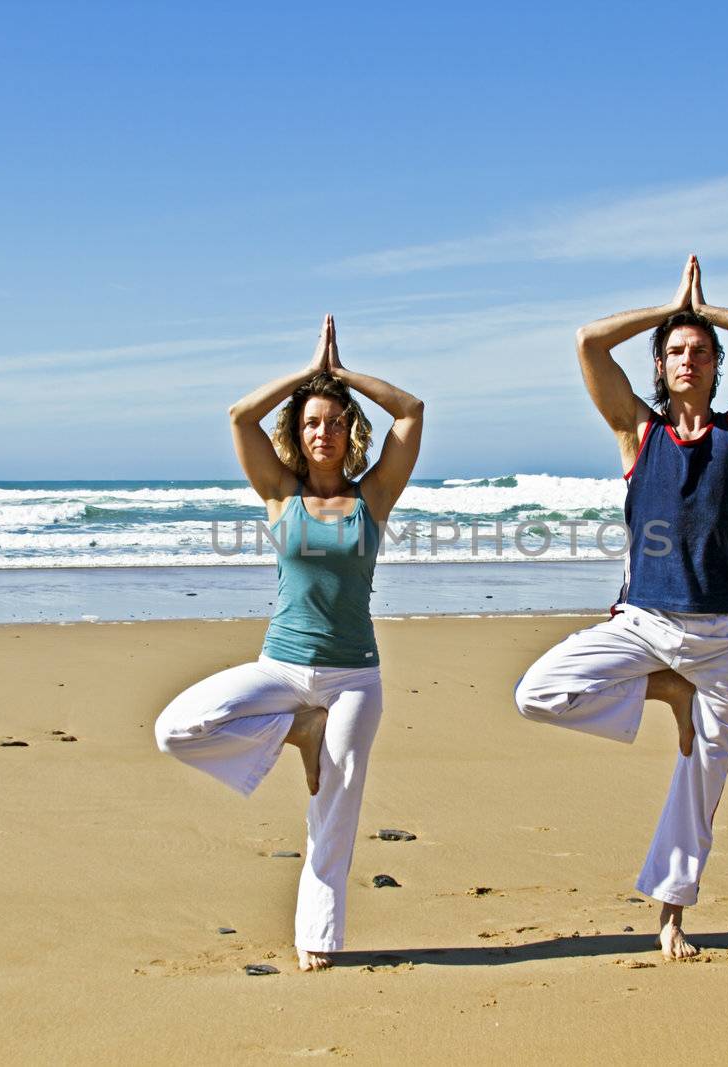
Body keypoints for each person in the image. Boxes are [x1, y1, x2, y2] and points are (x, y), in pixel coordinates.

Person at [513, 255, 728, 960]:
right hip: (645, 624)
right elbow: (588, 341)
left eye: (700, 350)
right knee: (537, 691)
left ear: (715, 364)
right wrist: (671, 306)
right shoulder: (637, 433)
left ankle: (672, 916)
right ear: (660, 364)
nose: (688, 358)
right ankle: (665, 689)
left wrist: (708, 310)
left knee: (702, 784)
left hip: (723, 638)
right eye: (675, 350)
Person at [154, 314, 423, 972]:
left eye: (334, 420)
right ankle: (294, 731)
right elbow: (241, 417)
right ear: (297, 436)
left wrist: (342, 376)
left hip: (355, 677)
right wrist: (309, 375)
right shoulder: (280, 493)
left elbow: (411, 411)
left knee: (336, 802)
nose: (322, 431)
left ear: (349, 430)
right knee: (177, 726)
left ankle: (318, 938)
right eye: (311, 422)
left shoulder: (373, 497)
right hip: (282, 668)